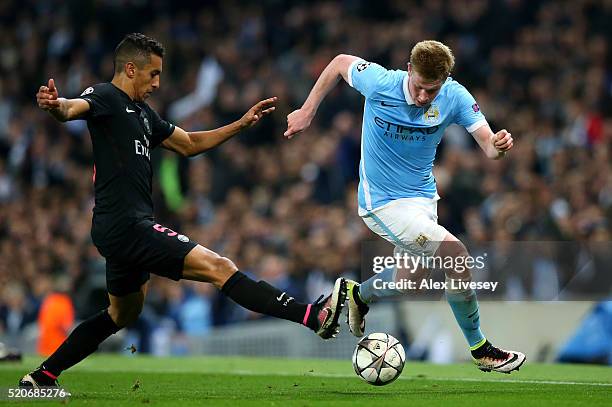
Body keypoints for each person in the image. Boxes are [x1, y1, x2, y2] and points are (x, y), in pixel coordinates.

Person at [20, 33, 347, 388]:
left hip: (122, 228)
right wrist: (55, 106)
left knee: (122, 312)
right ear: (130, 69)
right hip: (127, 225)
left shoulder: (143, 114)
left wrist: (239, 125)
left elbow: (189, 144)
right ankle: (312, 315)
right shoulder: (105, 97)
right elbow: (71, 108)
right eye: (153, 74)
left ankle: (41, 377)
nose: (158, 83)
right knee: (219, 267)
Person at [285, 40, 525, 373]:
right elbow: (340, 62)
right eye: (420, 87)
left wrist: (499, 145)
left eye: (433, 90)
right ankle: (480, 348)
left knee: (410, 282)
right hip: (382, 203)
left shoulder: (454, 96)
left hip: (423, 200)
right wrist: (308, 109)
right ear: (409, 70)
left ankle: (357, 295)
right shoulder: (380, 82)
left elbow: (488, 146)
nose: (425, 96)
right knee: (456, 255)